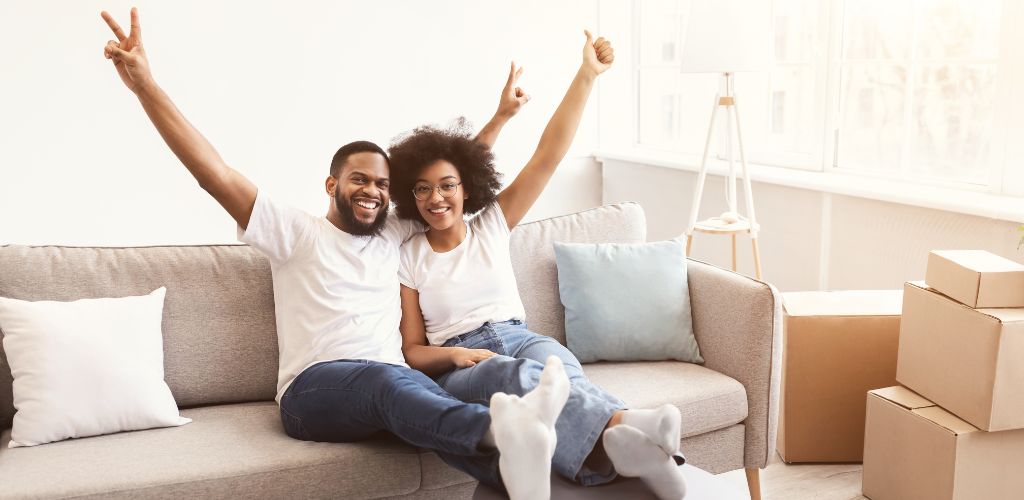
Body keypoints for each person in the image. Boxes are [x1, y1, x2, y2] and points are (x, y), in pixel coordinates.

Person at [99, 8, 571, 499]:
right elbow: (213, 173)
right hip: (314, 391)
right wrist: (145, 87)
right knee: (393, 386)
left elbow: (447, 180)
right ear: (333, 184)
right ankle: (504, 429)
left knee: (422, 399)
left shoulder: (395, 233)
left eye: (383, 185)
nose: (372, 191)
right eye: (360, 180)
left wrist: (500, 118)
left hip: (395, 385)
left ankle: (542, 475)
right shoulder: (294, 233)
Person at [388, 32, 689, 500]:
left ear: (467, 187)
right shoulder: (408, 255)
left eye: (447, 185)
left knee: (559, 373)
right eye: (422, 189)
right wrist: (455, 355)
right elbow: (412, 350)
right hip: (464, 363)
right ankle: (635, 432)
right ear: (411, 196)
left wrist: (586, 75)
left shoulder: (491, 225)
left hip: (522, 336)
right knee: (513, 379)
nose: (436, 198)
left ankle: (632, 448)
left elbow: (548, 155)